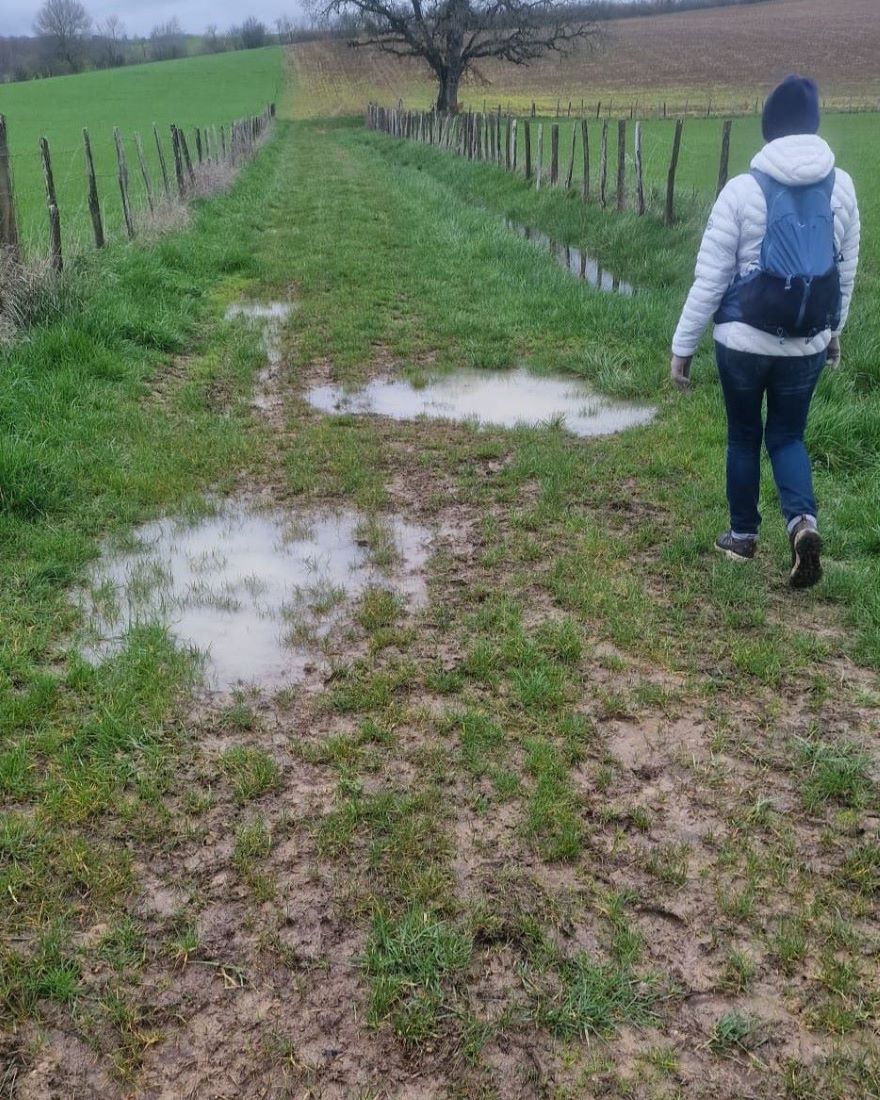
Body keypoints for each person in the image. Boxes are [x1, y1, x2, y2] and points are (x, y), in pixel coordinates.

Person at [670, 75, 861, 588]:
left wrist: (682, 348)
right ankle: (802, 525)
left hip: (742, 342)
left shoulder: (742, 190)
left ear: (768, 126)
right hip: (807, 342)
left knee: (743, 436)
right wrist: (833, 332)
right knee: (788, 436)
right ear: (814, 124)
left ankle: (742, 537)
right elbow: (843, 272)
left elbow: (710, 279)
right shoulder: (842, 188)